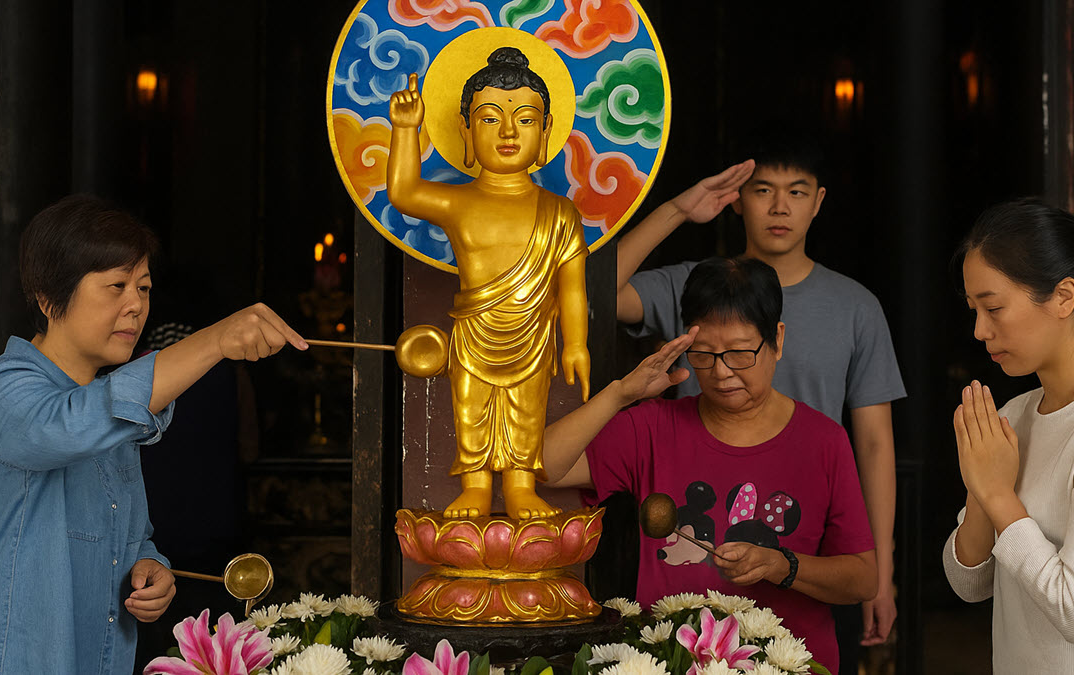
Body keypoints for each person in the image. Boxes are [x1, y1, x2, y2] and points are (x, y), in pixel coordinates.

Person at [0, 195, 307, 674]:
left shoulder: (109, 405)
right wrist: (214, 340)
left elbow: (131, 534)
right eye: (116, 286)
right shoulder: (1, 390)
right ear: (47, 297)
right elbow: (70, 425)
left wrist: (151, 566)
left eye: (143, 288)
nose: (136, 305)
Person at [615, 127, 904, 652]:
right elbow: (591, 291)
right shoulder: (694, 289)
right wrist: (678, 210)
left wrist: (878, 572)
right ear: (736, 200)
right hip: (700, 551)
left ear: (818, 202)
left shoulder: (856, 306)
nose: (779, 206)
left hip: (812, 556)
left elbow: (875, 444)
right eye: (762, 189)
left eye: (796, 191)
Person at [545, 257, 877, 674]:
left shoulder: (824, 441)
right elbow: (543, 465)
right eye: (703, 354)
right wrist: (620, 394)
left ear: (777, 339)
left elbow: (863, 579)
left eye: (740, 353)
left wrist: (782, 565)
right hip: (670, 662)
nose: (721, 373)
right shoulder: (652, 428)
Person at [943, 199, 1074, 671]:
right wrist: (981, 492)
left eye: (993, 307)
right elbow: (970, 584)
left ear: (1064, 296)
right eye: (973, 309)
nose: (979, 330)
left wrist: (998, 495)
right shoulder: (1016, 413)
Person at [387, 47, 589, 520]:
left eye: (524, 118)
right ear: (465, 129)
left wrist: (576, 342)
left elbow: (573, 287)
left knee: (526, 410)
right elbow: (404, 192)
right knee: (472, 408)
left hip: (534, 333)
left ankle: (521, 486)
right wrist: (403, 129)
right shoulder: (460, 203)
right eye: (489, 118)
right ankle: (475, 486)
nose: (508, 132)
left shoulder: (561, 213)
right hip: (475, 330)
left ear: (545, 131)